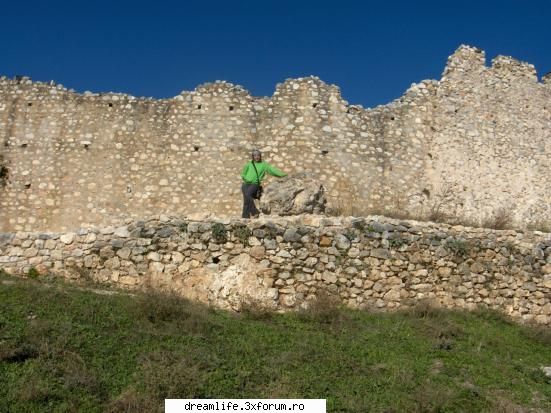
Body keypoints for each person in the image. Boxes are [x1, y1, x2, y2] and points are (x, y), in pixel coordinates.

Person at [240, 149, 286, 218]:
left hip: (255, 184)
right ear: (253, 157)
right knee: (246, 200)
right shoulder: (248, 164)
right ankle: (245, 217)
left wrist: (283, 175)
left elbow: (272, 170)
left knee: (248, 195)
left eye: (258, 155)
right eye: (255, 155)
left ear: (260, 156)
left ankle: (255, 211)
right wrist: (247, 179)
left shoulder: (264, 165)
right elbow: (243, 174)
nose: (257, 157)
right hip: (245, 184)